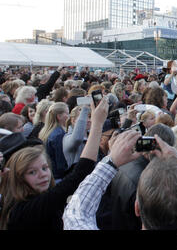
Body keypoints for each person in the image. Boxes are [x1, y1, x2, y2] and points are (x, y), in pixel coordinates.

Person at [0, 97, 108, 230]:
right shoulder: (26, 209)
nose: (42, 175)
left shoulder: (34, 195)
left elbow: (75, 172)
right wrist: (97, 124)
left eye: (44, 168)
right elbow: (80, 173)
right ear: (17, 176)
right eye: (32, 172)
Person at [38, 102, 70, 181]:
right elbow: (60, 162)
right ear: (59, 116)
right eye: (67, 114)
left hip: (52, 174)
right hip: (59, 177)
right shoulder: (58, 135)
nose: (69, 116)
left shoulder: (46, 131)